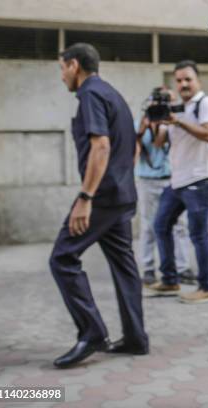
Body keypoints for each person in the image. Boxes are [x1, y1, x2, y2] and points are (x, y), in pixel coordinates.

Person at [50, 43, 148, 368]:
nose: (62, 75)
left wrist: (86, 197)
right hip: (121, 195)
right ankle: (136, 338)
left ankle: (92, 332)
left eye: (62, 68)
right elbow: (131, 145)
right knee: (124, 265)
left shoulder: (90, 94)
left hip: (103, 199)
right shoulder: (111, 93)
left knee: (62, 258)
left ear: (74, 65)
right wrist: (122, 180)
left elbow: (101, 146)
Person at [146, 60, 208, 303]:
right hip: (178, 180)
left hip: (200, 178)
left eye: (188, 79)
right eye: (179, 80)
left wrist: (177, 121)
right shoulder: (175, 108)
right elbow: (158, 143)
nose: (183, 84)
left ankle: (207, 286)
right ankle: (170, 280)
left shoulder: (206, 104)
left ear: (197, 80)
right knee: (160, 225)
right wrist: (156, 121)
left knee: (197, 234)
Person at [135, 89, 193, 287]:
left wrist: (166, 124)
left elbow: (164, 143)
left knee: (180, 226)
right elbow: (134, 155)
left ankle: (182, 268)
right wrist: (142, 131)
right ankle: (148, 268)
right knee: (148, 226)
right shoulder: (141, 123)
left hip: (172, 179)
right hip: (147, 180)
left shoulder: (175, 121)